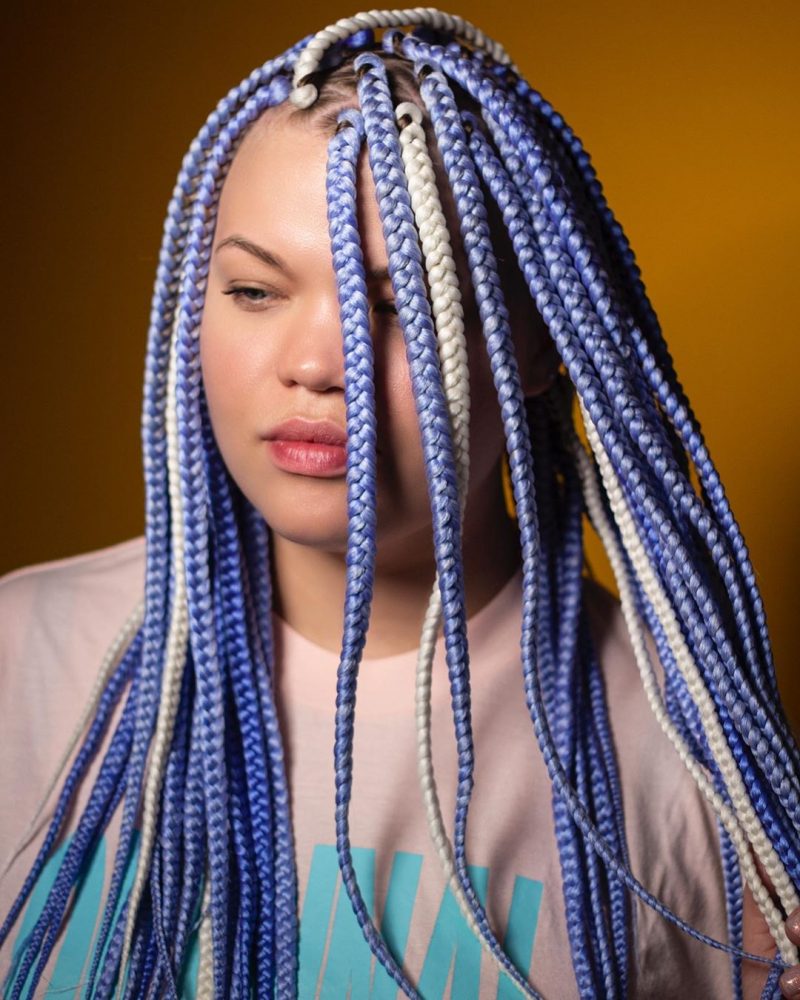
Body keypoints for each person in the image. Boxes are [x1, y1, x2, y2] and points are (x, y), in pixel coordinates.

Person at [1, 8, 798, 998]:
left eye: (399, 304)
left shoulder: (689, 777)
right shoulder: (21, 654)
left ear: (536, 343)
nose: (314, 365)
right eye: (254, 291)